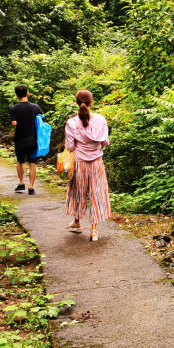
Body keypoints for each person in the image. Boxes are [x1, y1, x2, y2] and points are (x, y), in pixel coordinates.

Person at [64, 90, 110, 242]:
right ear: (92, 102)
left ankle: (77, 223)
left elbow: (70, 146)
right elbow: (105, 142)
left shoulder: (71, 123)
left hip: (79, 163)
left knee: (78, 192)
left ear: (76, 103)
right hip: (96, 162)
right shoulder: (101, 120)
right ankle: (94, 230)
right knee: (96, 194)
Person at [9, 85, 43, 195]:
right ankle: (31, 187)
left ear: (16, 95)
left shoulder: (14, 108)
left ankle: (21, 182)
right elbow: (40, 121)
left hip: (20, 138)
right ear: (27, 93)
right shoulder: (36, 107)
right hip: (33, 138)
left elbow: (14, 123)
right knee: (32, 162)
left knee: (20, 161)